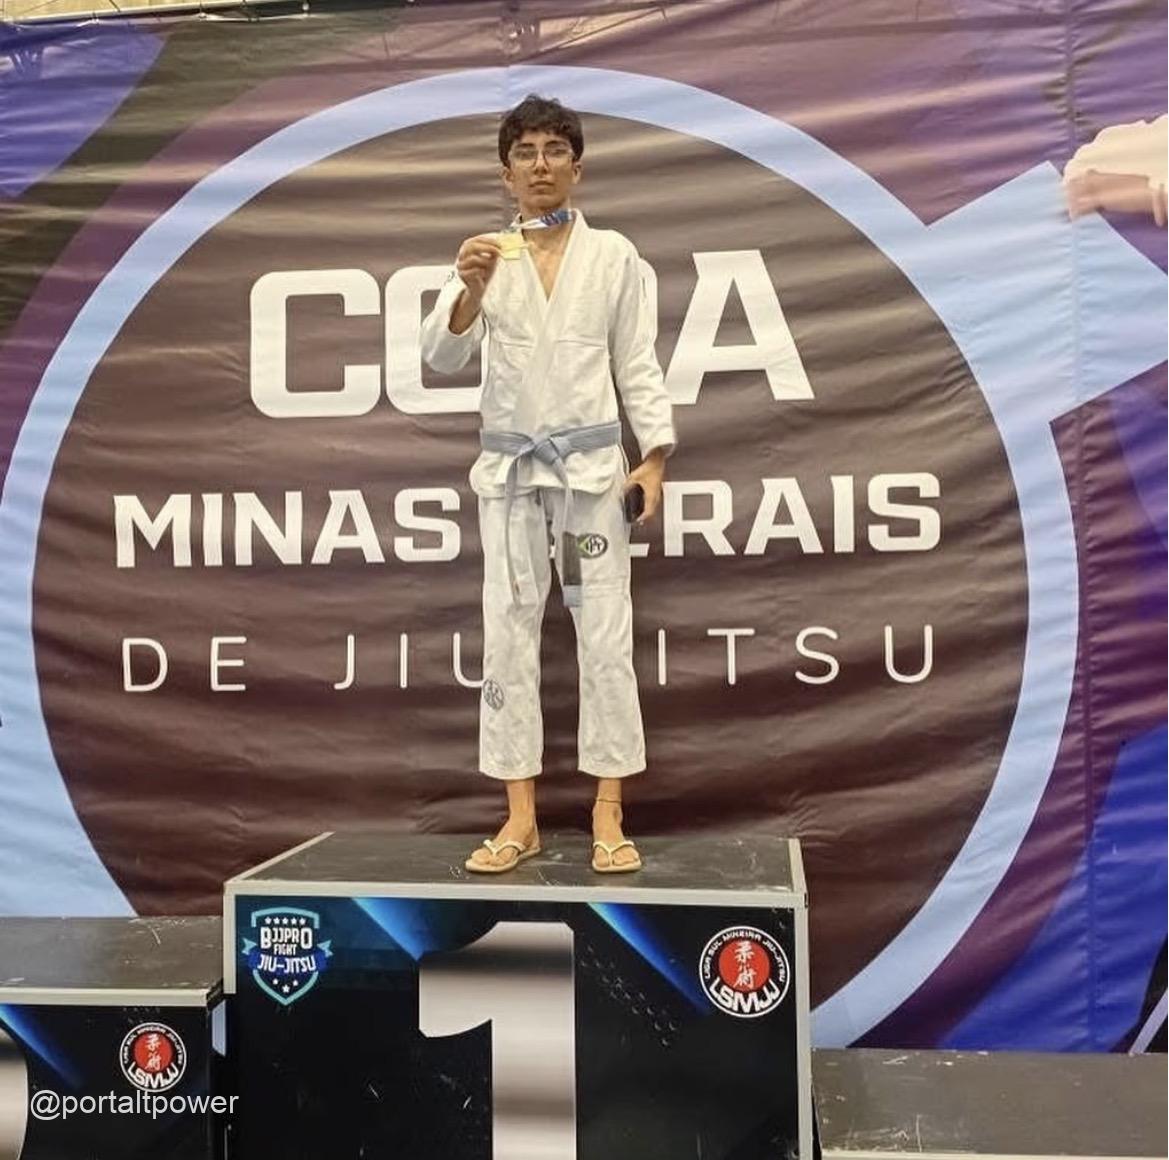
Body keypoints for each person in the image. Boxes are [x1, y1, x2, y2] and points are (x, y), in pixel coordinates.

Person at [421, 94, 675, 875]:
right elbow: (440, 356)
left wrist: (653, 457)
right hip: (509, 474)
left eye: (553, 151)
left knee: (605, 635)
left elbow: (636, 360)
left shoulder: (614, 256)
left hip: (593, 471)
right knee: (506, 633)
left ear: (576, 167)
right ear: (505, 174)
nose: (539, 165)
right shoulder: (483, 257)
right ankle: (519, 816)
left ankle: (608, 811)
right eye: (525, 153)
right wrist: (467, 290)